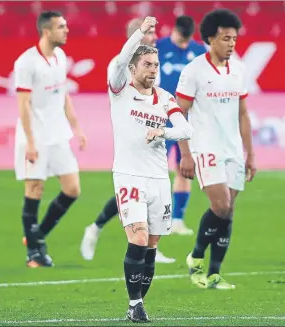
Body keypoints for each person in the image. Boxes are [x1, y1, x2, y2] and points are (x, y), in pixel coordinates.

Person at [108, 17, 193, 322]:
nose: (153, 70)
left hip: (159, 178)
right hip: (129, 175)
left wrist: (163, 133)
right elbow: (119, 59)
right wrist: (140, 34)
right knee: (139, 238)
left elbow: (185, 130)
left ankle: (138, 303)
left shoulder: (165, 99)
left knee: (152, 245)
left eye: (156, 65)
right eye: (147, 64)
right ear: (134, 68)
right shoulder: (119, 89)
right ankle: (134, 304)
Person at [80, 17, 175, 264]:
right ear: (137, 35)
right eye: (150, 34)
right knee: (134, 192)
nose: (155, 38)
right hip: (131, 135)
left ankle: (146, 244)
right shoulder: (119, 64)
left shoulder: (152, 64)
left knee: (145, 192)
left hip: (152, 135)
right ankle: (97, 228)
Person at [175, 9, 257, 289]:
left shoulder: (239, 69)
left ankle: (214, 273)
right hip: (204, 148)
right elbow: (178, 113)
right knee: (220, 205)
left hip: (233, 148)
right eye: (226, 38)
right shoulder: (194, 70)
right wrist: (185, 153)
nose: (231, 44)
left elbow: (243, 114)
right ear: (210, 38)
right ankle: (196, 257)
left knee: (229, 211)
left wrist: (251, 154)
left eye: (234, 38)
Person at [14, 11, 87, 268]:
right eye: (61, 26)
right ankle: (33, 254)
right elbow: (23, 105)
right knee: (35, 190)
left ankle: (36, 235)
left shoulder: (60, 57)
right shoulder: (26, 63)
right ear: (47, 31)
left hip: (58, 135)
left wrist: (76, 128)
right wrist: (31, 142)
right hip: (35, 136)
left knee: (72, 189)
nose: (67, 30)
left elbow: (63, 94)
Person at [156, 15, 207, 235]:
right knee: (156, 170)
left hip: (188, 120)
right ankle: (155, 217)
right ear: (174, 30)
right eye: (181, 38)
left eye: (188, 39)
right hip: (161, 118)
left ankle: (177, 219)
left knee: (185, 168)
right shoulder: (157, 48)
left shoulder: (198, 52)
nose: (184, 43)